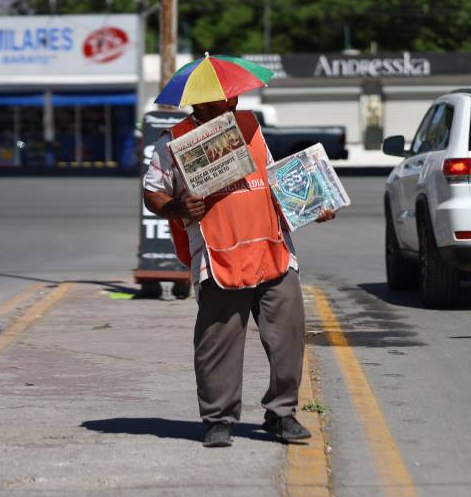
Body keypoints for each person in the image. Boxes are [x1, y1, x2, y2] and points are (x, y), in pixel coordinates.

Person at [143, 95, 335, 448]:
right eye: (224, 99)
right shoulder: (173, 141)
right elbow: (152, 193)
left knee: (287, 338)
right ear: (201, 104)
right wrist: (178, 206)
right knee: (218, 344)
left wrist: (313, 202)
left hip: (272, 250)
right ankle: (218, 420)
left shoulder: (250, 127)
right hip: (219, 258)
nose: (233, 103)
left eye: (234, 96)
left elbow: (274, 179)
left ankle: (281, 414)